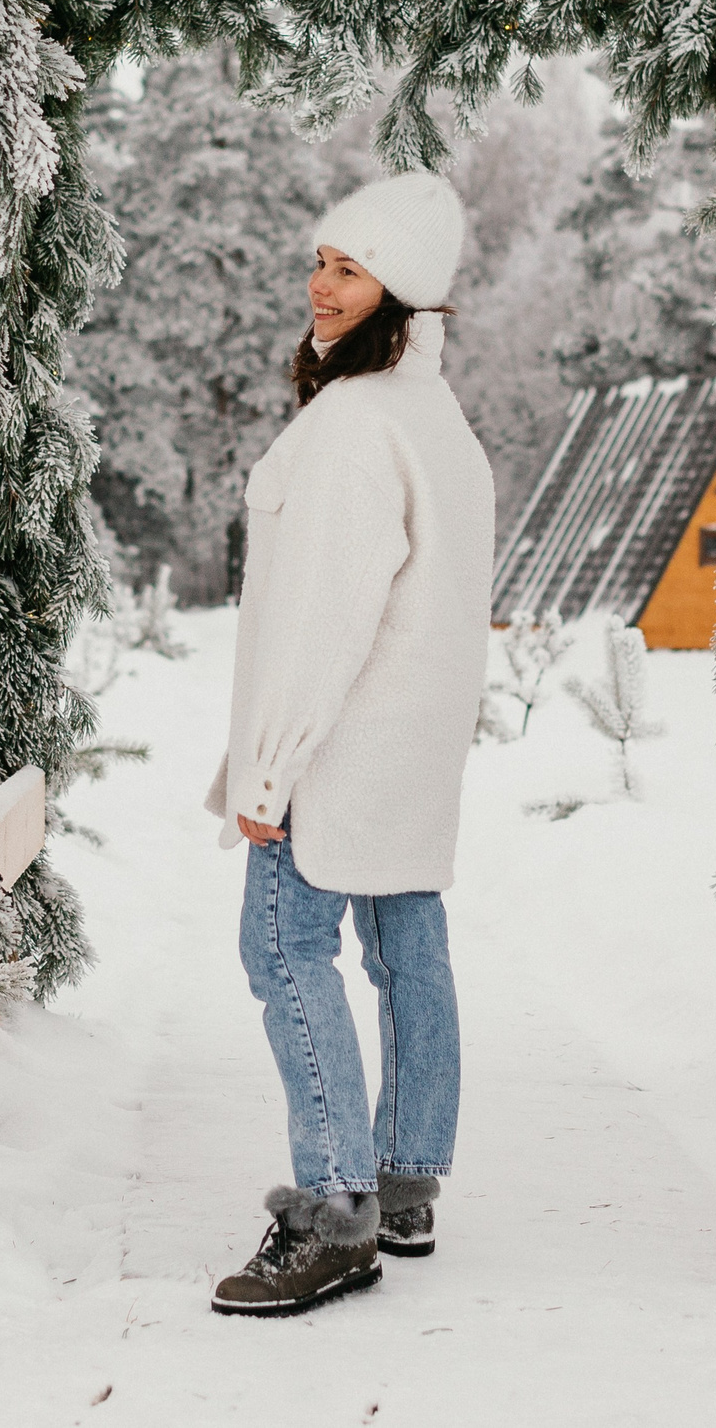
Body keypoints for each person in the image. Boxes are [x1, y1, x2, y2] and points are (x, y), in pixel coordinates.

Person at [203, 171, 495, 1317]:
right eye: (319, 261)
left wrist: (267, 768)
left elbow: (323, 617)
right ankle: (405, 1177)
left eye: (348, 269)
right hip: (412, 746)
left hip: (335, 745)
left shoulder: (355, 425)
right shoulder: (436, 418)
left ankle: (334, 1212)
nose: (319, 287)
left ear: (399, 293)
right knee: (404, 942)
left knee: (281, 950)